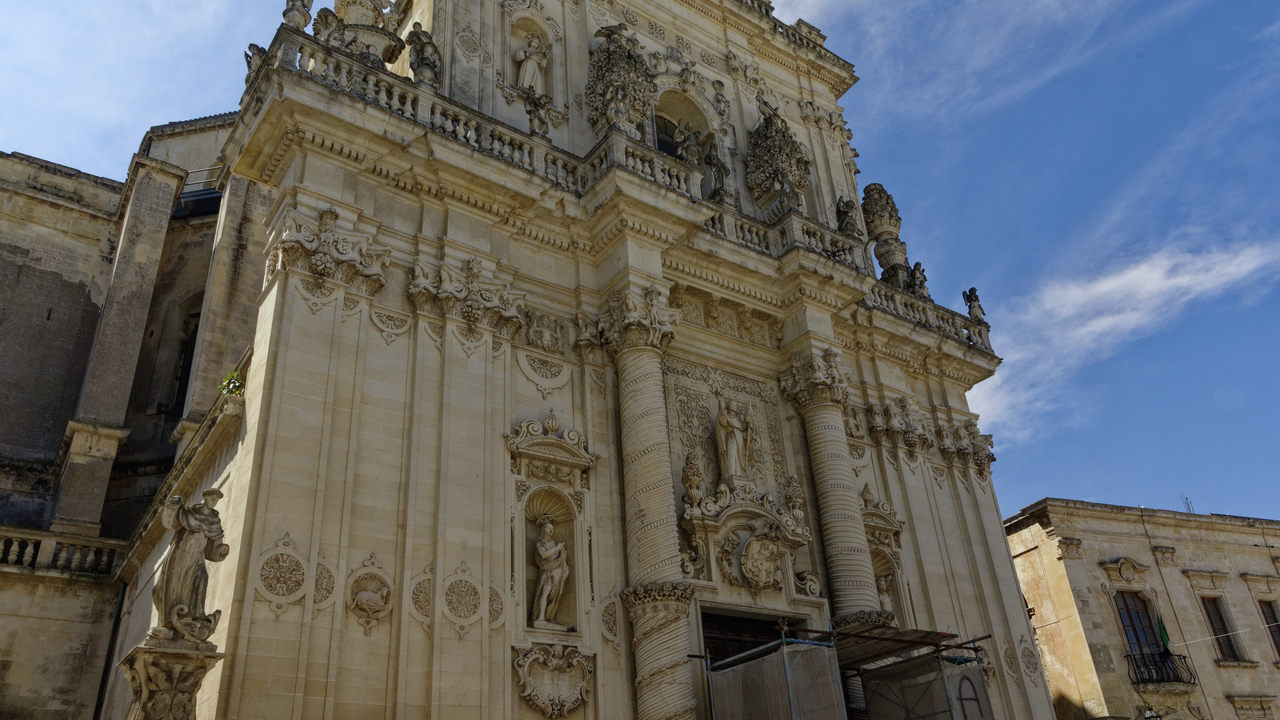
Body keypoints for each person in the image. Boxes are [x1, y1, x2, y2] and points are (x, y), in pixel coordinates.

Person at [532, 514, 569, 628]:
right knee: (545, 590)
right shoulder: (541, 542)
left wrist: (566, 569)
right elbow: (543, 554)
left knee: (555, 595)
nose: (551, 530)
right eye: (549, 528)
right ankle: (540, 617)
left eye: (552, 528)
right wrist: (557, 549)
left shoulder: (556, 542)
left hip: (558, 570)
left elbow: (563, 558)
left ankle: (549, 617)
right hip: (546, 570)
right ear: (544, 529)